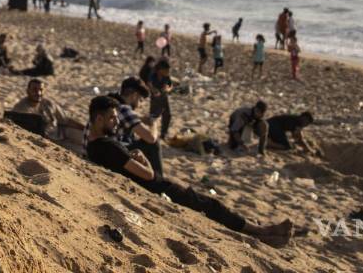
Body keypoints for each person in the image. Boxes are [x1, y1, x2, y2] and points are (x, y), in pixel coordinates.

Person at [85, 95, 294, 246]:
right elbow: (147, 175)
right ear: (99, 119)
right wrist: (144, 158)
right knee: (211, 205)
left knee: (207, 203)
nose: (117, 121)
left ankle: (258, 229)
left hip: (153, 186)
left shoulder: (94, 144)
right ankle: (261, 231)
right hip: (156, 187)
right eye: (112, 117)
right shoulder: (107, 146)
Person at [116, 76, 164, 178]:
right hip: (116, 151)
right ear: (134, 95)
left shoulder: (112, 102)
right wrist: (153, 123)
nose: (140, 104)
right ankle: (158, 180)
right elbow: (151, 138)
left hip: (110, 148)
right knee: (153, 144)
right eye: (140, 99)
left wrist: (140, 118)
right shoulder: (124, 109)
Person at [9, 78, 83, 142]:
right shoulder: (21, 109)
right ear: (28, 91)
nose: (38, 93)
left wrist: (85, 128)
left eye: (41, 90)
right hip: (50, 140)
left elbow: (65, 120)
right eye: (34, 89)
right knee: (83, 152)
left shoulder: (48, 103)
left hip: (60, 132)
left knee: (87, 138)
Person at [147, 57, 173, 140]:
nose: (168, 73)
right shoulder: (153, 75)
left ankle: (163, 134)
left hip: (164, 98)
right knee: (153, 116)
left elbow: (170, 85)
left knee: (167, 115)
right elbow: (149, 84)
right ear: (160, 70)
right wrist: (154, 90)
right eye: (166, 71)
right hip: (155, 99)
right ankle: (150, 134)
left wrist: (167, 89)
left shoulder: (166, 76)